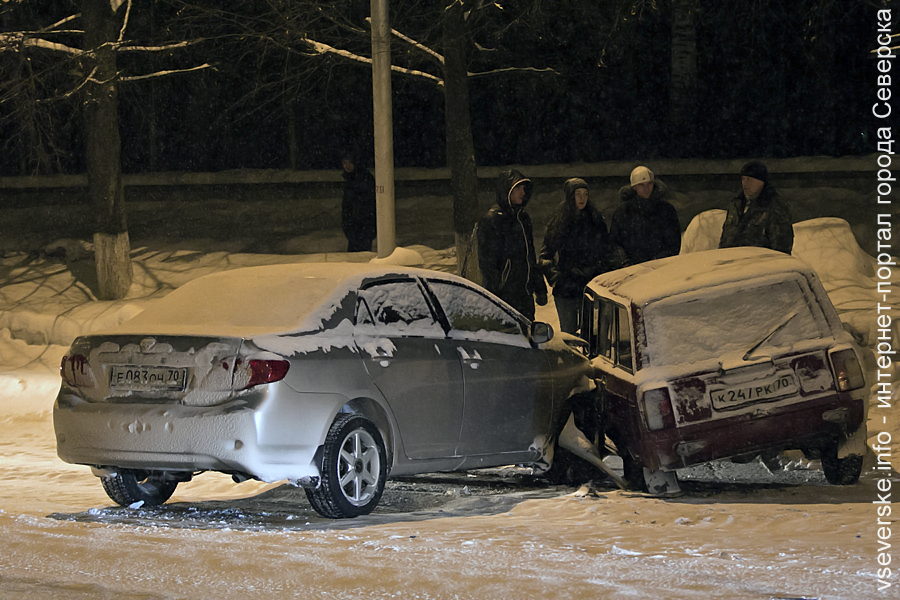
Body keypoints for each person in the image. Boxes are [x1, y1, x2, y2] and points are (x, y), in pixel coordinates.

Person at [539, 178, 612, 334]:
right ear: (570, 196)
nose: (582, 198)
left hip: (591, 284)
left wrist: (598, 272)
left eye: (585, 194)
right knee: (568, 333)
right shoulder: (560, 220)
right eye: (577, 194)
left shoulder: (595, 220)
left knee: (591, 333)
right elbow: (546, 254)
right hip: (567, 286)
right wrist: (556, 278)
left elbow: (606, 250)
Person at [476, 169, 548, 321]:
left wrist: (539, 287)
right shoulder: (493, 219)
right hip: (505, 297)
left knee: (527, 337)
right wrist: (496, 292)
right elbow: (487, 262)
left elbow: (529, 256)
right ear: (506, 191)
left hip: (524, 294)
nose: (522, 192)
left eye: (523, 189)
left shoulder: (522, 218)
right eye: (517, 189)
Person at [609, 166, 681, 265]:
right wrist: (625, 263)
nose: (646, 188)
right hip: (630, 270)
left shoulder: (666, 210)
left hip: (659, 268)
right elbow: (615, 243)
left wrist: (657, 261)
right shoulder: (623, 212)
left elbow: (673, 243)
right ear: (634, 187)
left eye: (649, 183)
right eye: (641, 185)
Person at [719, 160, 793, 254]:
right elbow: (725, 239)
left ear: (761, 182)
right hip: (733, 264)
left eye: (749, 179)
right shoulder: (736, 205)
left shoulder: (774, 206)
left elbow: (781, 247)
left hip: (759, 265)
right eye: (743, 179)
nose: (745, 184)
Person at [340, 151, 377, 252]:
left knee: (361, 255)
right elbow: (347, 204)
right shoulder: (351, 179)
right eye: (345, 163)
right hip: (355, 225)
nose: (347, 166)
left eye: (350, 163)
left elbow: (369, 202)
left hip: (363, 224)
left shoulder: (363, 179)